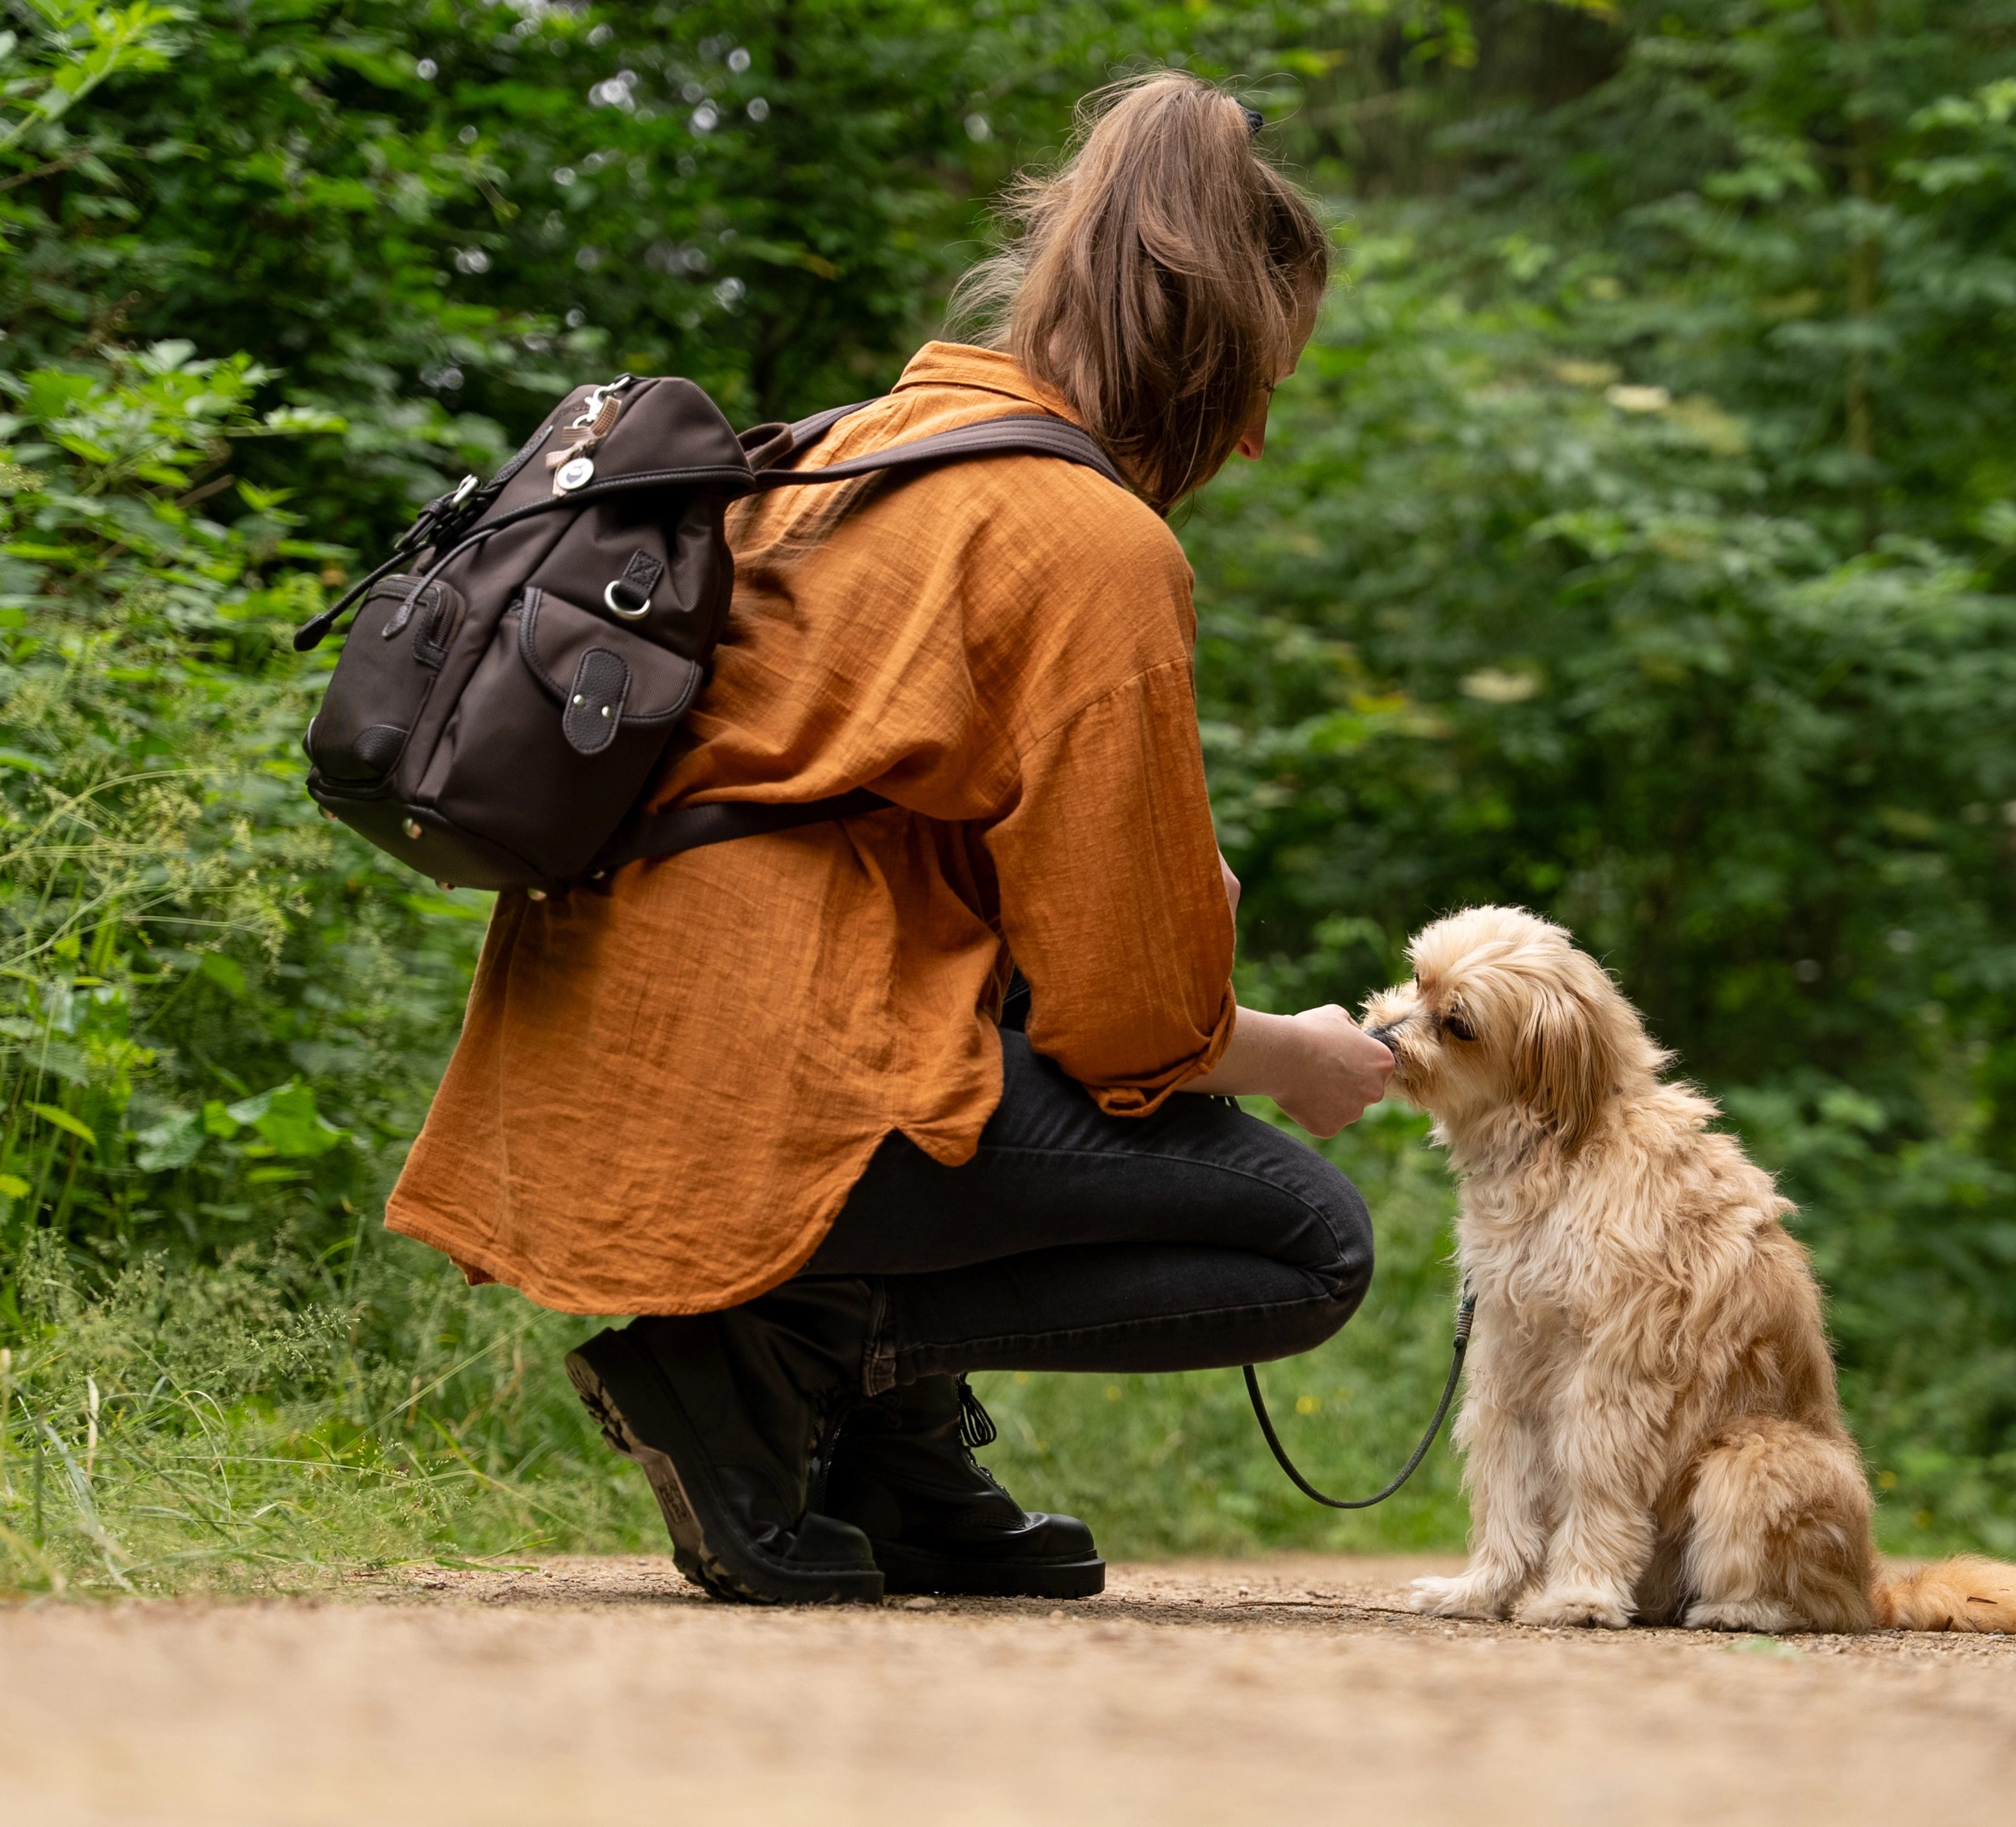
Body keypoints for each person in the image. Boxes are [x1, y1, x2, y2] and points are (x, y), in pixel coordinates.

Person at [384, 72, 1397, 1606]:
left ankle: (890, 1461)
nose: (1253, 440)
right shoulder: (1090, 543)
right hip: (769, 1085)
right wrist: (1295, 1055)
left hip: (598, 1069)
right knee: (1307, 1241)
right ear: (1209, 365)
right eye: (1265, 388)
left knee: (959, 1019)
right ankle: (776, 1362)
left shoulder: (841, 454)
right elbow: (1131, 1019)